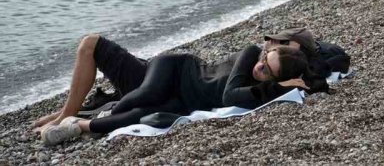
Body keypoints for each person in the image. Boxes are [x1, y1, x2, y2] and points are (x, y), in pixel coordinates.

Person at [34, 34, 312, 145]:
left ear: (277, 79)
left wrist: (277, 87)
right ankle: (69, 115)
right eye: (265, 58)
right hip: (175, 69)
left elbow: (318, 74)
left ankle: (79, 125)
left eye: (268, 71)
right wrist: (273, 83)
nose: (260, 67)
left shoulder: (263, 88)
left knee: (143, 115)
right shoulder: (251, 53)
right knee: (94, 45)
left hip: (180, 99)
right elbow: (230, 95)